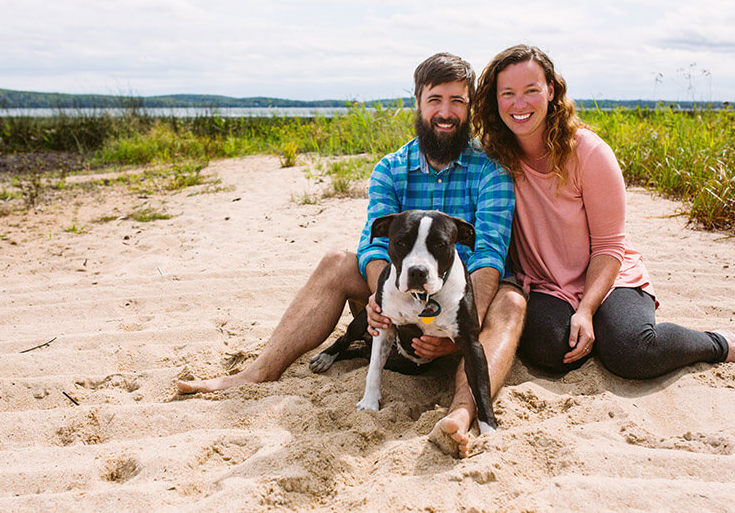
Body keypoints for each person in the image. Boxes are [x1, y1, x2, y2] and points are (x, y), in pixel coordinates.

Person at [178, 53, 526, 458]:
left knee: (512, 300)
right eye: (435, 100)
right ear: (417, 101)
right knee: (337, 261)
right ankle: (260, 370)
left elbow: (488, 251)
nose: (445, 113)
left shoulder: (491, 170)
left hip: (460, 308)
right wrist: (381, 296)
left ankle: (462, 412)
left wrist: (464, 326)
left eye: (457, 102)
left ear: (470, 109)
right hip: (398, 300)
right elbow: (374, 245)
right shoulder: (390, 169)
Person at [470, 44, 735, 379]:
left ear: (550, 90)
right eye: (508, 93)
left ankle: (720, 343)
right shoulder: (493, 157)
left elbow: (609, 247)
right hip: (546, 284)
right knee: (553, 350)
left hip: (610, 277)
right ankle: (598, 333)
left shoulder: (589, 153)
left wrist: (587, 310)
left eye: (531, 90)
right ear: (495, 100)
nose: (520, 104)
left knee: (633, 352)